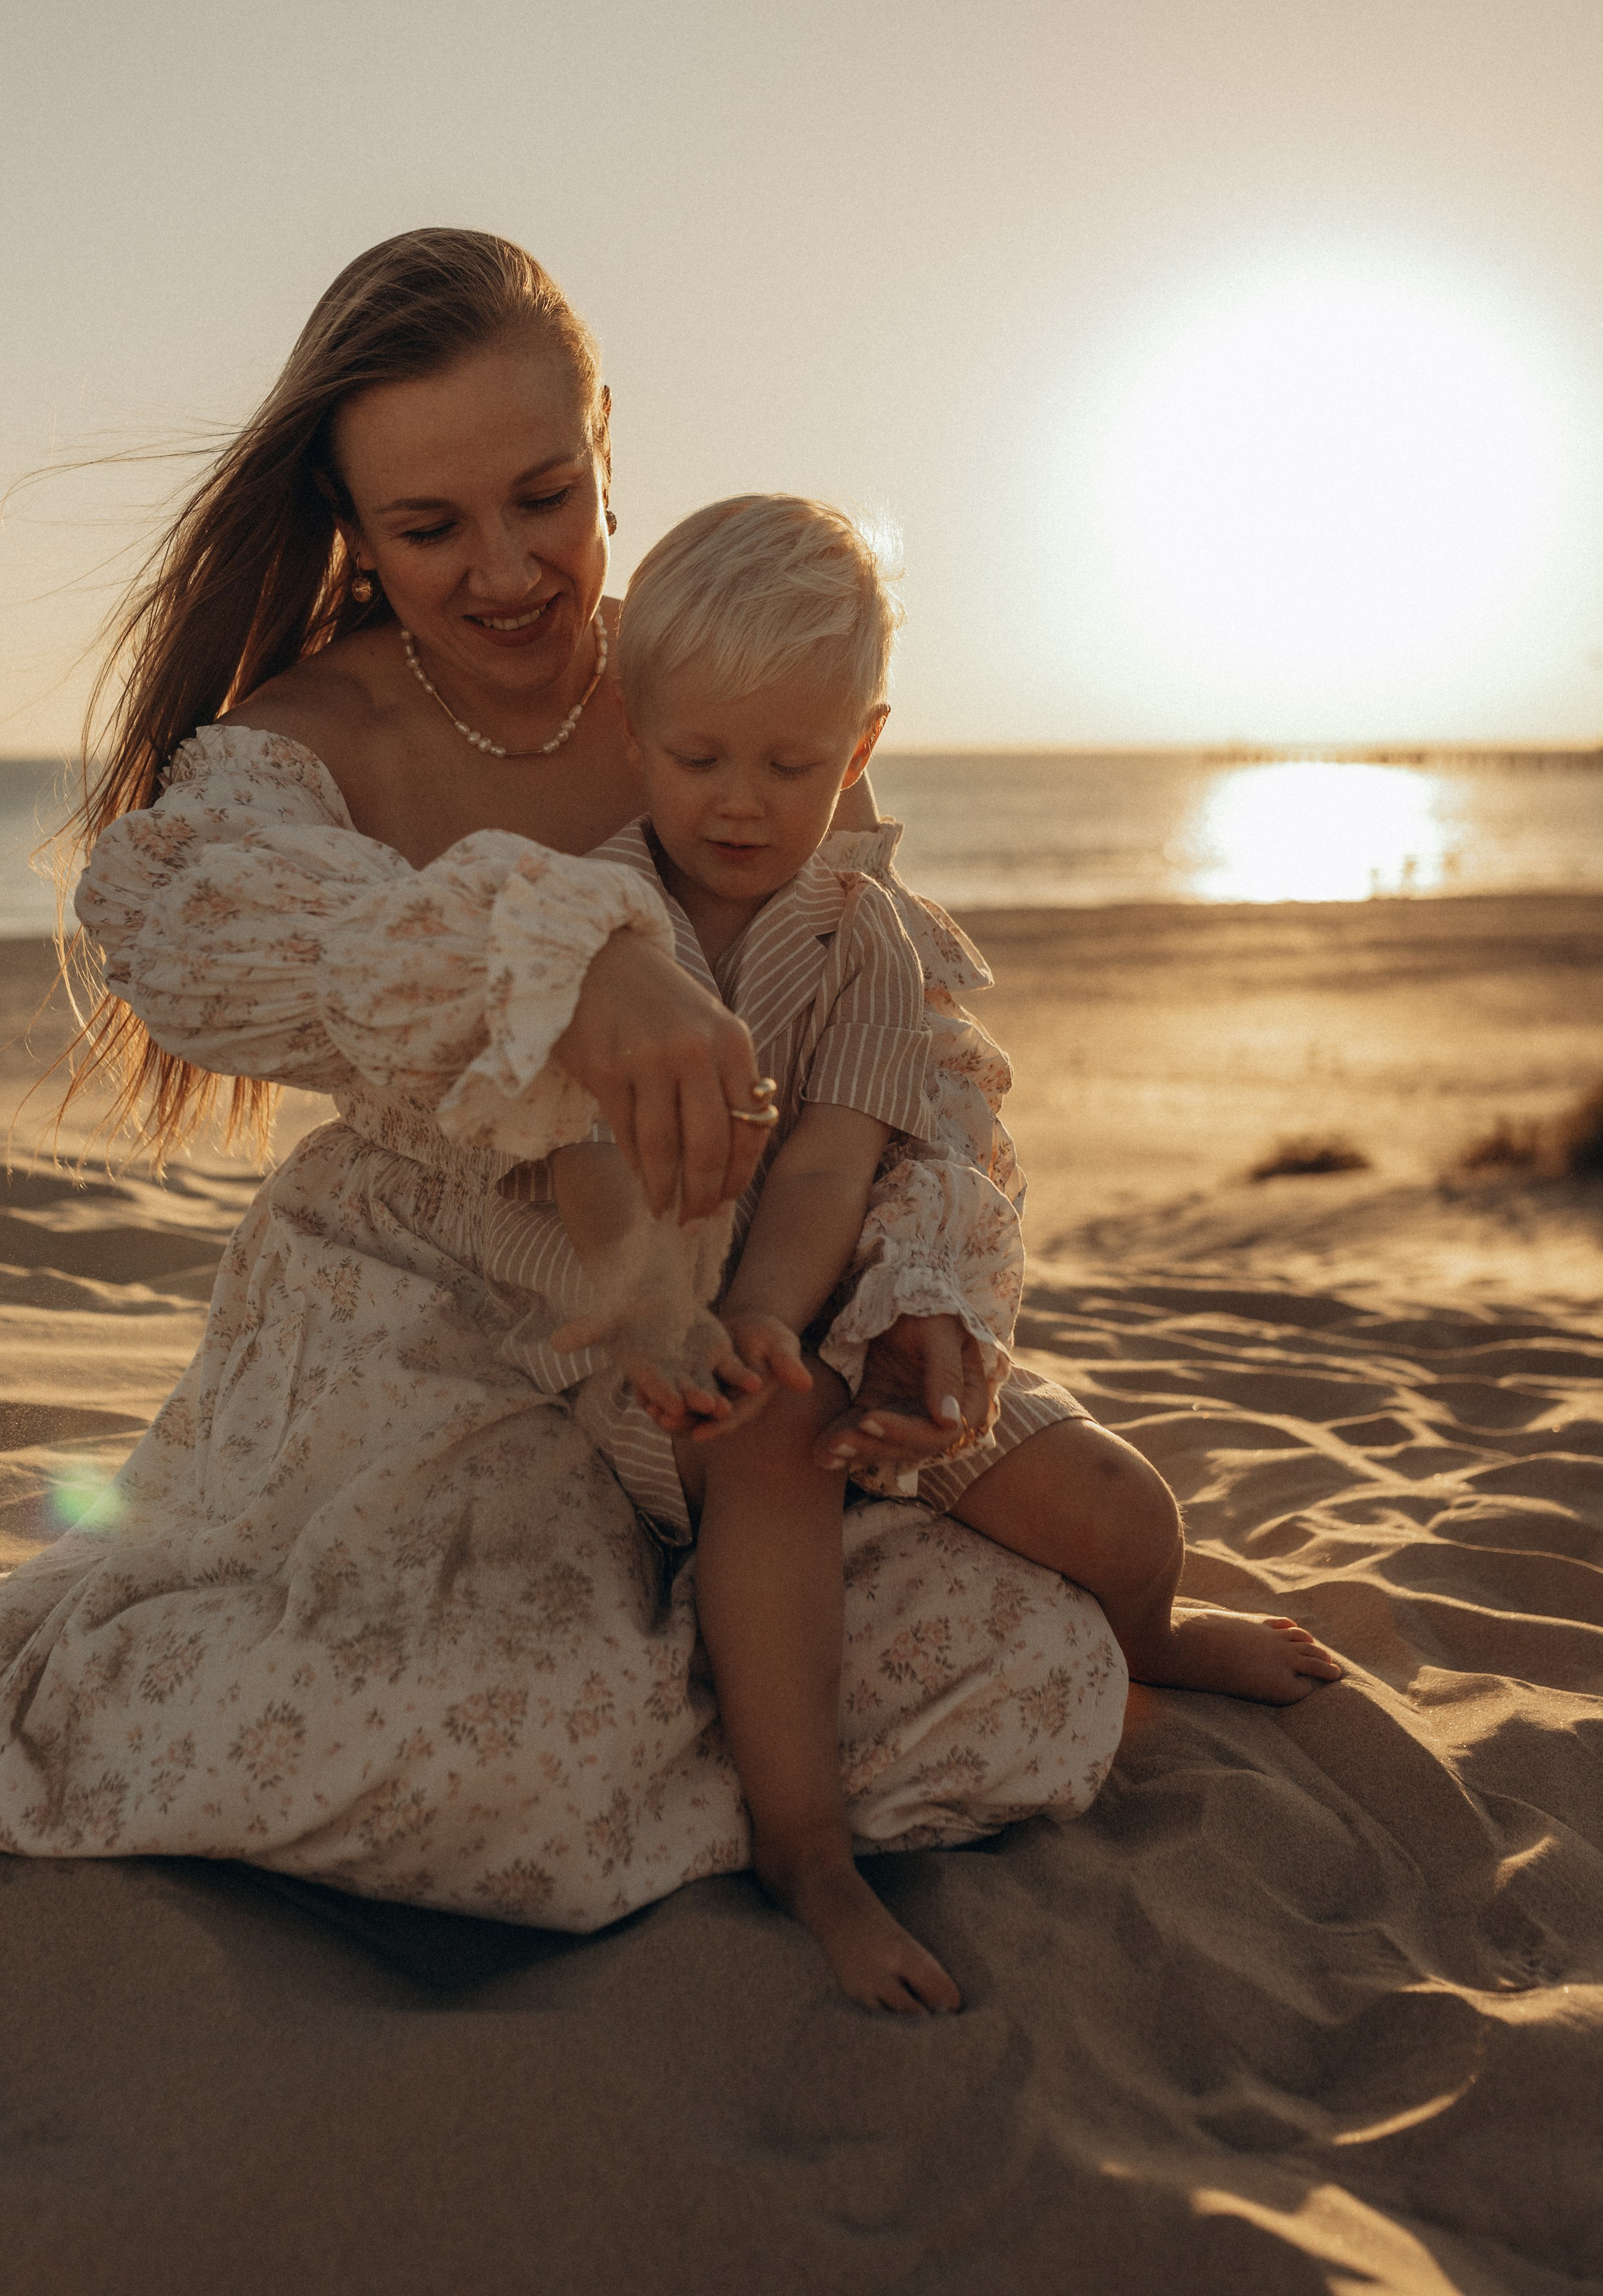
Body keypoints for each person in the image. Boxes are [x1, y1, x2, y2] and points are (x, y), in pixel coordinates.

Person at [0, 229, 1129, 1966]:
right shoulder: (318, 736)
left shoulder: (704, 671)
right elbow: (168, 911)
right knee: (516, 1753)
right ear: (353, 530)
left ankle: (747, 1733)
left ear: (607, 449)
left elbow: (889, 1046)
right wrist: (564, 950)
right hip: (442, 1316)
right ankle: (723, 1770)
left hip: (749, 1317)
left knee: (1048, 1658)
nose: (511, 571)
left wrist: (919, 1297)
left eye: (547, 496)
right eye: (428, 528)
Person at [481, 494, 1343, 2011]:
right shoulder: (589, 920)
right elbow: (579, 1167)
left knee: (1119, 1508)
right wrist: (694, 1322)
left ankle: (1152, 1636)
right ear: (630, 730)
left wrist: (788, 1306)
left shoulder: (858, 936)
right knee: (776, 1448)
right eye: (699, 758)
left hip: (834, 1306)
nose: (741, 801)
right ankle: (807, 1860)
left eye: (791, 764)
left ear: (859, 751)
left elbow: (832, 1151)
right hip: (650, 1352)